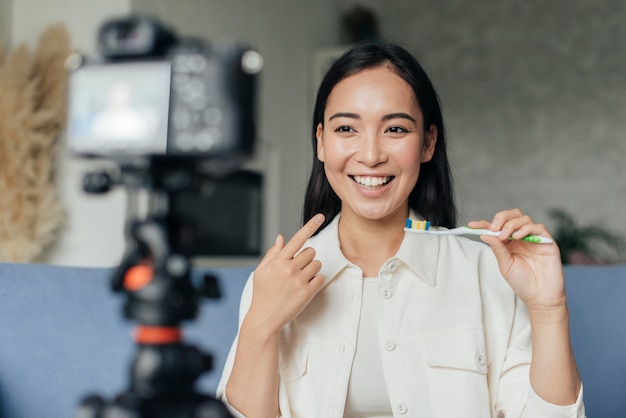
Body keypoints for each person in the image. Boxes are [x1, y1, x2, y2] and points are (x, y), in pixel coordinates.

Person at [216, 41, 585, 418]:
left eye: (394, 129)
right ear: (321, 142)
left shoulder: (488, 273)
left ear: (427, 143)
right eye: (346, 128)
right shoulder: (277, 279)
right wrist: (260, 323)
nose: (372, 154)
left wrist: (548, 309)